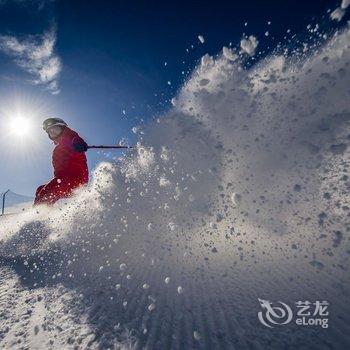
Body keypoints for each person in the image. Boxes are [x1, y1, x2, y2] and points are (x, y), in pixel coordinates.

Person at [34, 118, 89, 205]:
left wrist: (78, 143)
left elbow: (73, 137)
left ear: (63, 128)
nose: (54, 133)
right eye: (51, 132)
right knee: (40, 189)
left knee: (45, 192)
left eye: (55, 129)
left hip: (75, 179)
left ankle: (37, 214)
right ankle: (44, 212)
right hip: (64, 180)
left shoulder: (70, 139)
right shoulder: (58, 148)